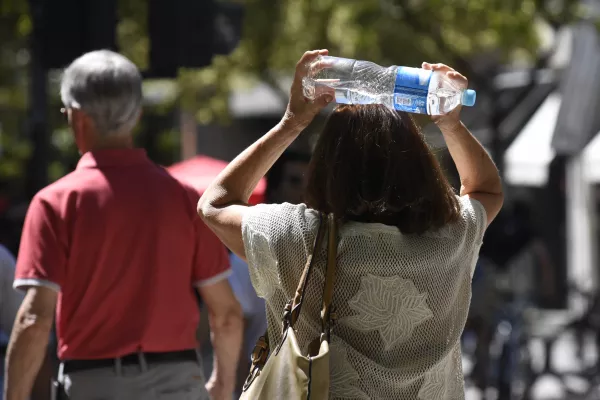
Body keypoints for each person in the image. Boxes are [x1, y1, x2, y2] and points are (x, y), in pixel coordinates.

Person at [197, 50, 503, 398]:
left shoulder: (297, 237)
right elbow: (486, 189)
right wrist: (451, 124)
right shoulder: (452, 237)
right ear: (419, 167)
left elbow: (215, 204)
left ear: (328, 167)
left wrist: (292, 123)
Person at [5, 50, 243, 400]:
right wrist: (222, 385)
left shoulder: (55, 203)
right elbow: (226, 314)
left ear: (77, 118)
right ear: (137, 116)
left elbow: (34, 320)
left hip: (93, 384)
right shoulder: (183, 198)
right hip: (179, 383)